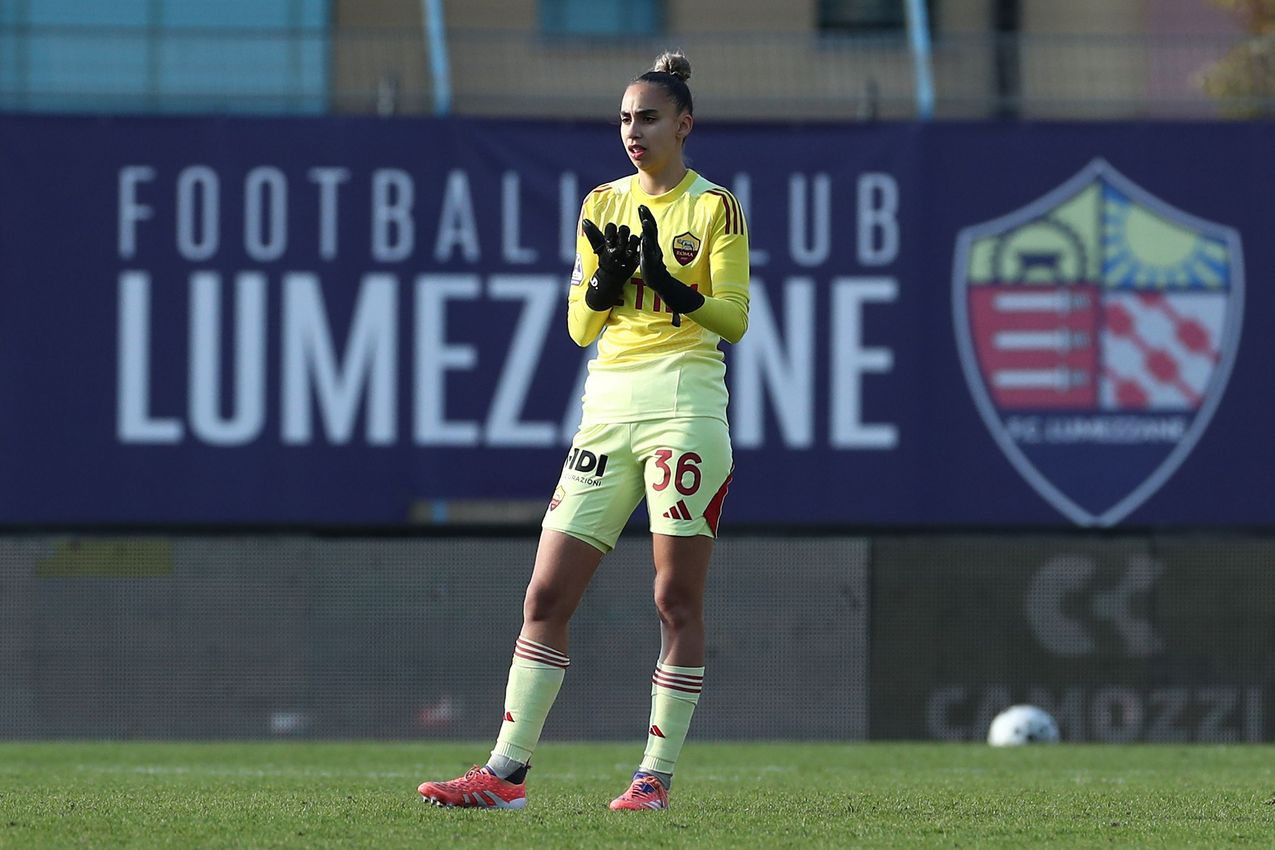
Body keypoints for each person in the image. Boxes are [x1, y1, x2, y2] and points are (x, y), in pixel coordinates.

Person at [418, 49, 749, 812]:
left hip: (683, 408)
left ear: (683, 124)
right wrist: (602, 286)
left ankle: (653, 779)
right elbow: (577, 329)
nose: (634, 132)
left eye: (649, 118)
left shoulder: (713, 207)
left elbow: (732, 317)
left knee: (674, 600)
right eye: (625, 119)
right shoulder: (600, 203)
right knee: (545, 595)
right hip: (606, 411)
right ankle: (505, 774)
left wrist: (669, 286)